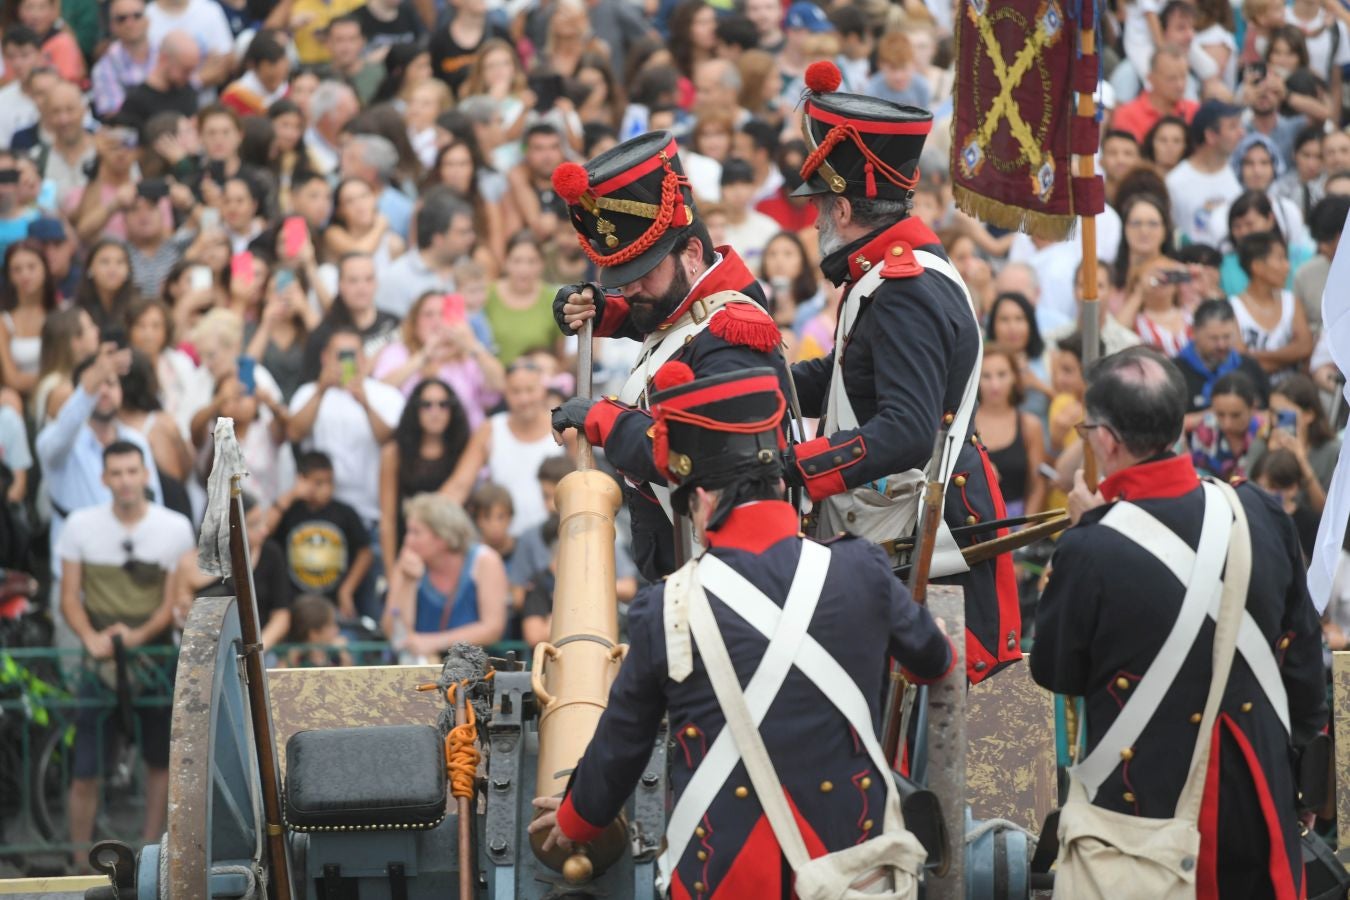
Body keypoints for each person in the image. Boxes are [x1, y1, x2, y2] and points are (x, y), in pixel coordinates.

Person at [529, 367, 952, 896]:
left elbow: (622, 745)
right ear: (778, 483)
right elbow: (934, 662)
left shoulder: (664, 608)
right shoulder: (860, 569)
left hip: (726, 880)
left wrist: (575, 821)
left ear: (703, 500)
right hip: (854, 874)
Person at [1033, 347, 1325, 898]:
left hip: (1145, 806)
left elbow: (1057, 671)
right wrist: (1298, 781)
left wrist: (1087, 531)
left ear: (1107, 440)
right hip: (1256, 788)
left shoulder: (1089, 546)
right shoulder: (1259, 511)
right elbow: (1305, 664)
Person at [782, 64, 1020, 683]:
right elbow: (849, 378)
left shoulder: (903, 288)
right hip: (909, 525)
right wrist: (761, 382)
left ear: (841, 207)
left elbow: (907, 431)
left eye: (820, 208)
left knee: (937, 722)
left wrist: (798, 466)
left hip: (932, 539)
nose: (815, 222)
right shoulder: (886, 274)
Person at [548, 129, 789, 581]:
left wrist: (605, 419)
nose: (630, 288)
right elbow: (673, 322)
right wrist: (605, 311)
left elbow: (703, 454)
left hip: (722, 576)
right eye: (621, 277)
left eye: (643, 272)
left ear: (692, 254)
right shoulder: (694, 305)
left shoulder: (731, 333)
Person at [58, 441, 192, 860]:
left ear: (146, 474)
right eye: (116, 473)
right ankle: (79, 862)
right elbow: (69, 597)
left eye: (132, 471)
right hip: (99, 664)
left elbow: (173, 600)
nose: (125, 481)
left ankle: (149, 857)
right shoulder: (80, 525)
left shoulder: (175, 528)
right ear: (104, 478)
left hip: (155, 661)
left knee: (160, 763)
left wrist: (135, 637)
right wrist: (90, 637)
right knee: (86, 768)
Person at [288, 329, 405, 588]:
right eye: (340, 355)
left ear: (364, 358)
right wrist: (321, 391)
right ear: (325, 357)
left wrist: (365, 403)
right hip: (323, 517)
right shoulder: (308, 393)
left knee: (370, 599)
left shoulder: (386, 395)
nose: (346, 362)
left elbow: (390, 442)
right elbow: (294, 432)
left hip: (371, 517)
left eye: (352, 355)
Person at [380, 492, 508, 657]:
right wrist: (408, 583)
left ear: (442, 537)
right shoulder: (406, 563)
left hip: (475, 666)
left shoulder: (485, 561)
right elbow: (394, 632)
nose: (407, 540)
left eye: (415, 532)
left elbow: (493, 628)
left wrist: (434, 642)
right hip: (423, 665)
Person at [448, 361, 563, 537]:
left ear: (543, 390)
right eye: (516, 391)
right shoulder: (490, 430)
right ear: (505, 393)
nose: (524, 399)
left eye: (530, 390)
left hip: (555, 536)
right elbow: (459, 486)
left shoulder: (565, 427)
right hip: (503, 540)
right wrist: (429, 517)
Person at [266, 451, 373, 618]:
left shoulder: (345, 513)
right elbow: (264, 530)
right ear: (301, 480)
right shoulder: (289, 512)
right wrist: (292, 494)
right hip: (296, 605)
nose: (326, 489)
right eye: (318, 483)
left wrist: (347, 590)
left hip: (333, 605)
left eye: (330, 482)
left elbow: (365, 552)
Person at [379, 378, 471, 568]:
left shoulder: (464, 449)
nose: (435, 412)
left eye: (443, 405)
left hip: (451, 549)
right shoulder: (394, 453)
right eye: (426, 405)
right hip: (409, 547)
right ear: (415, 409)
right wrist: (390, 571)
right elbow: (387, 519)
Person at [374, 290, 502, 424]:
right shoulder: (398, 351)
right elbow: (379, 391)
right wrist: (424, 355)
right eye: (428, 315)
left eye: (442, 314)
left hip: (468, 433)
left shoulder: (467, 356)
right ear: (415, 321)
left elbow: (499, 386)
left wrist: (472, 345)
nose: (436, 322)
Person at [375, 188, 475, 318]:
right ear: (438, 238)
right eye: (463, 233)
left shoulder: (467, 266)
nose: (471, 238)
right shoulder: (396, 278)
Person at [1230, 230, 1314, 381]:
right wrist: (1291, 357)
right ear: (1257, 266)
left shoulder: (1291, 301)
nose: (1287, 266)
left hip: (1292, 387)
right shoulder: (1233, 307)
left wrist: (1255, 356)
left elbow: (1305, 346)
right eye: (1280, 259)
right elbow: (1238, 359)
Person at [976, 345, 1047, 518]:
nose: (995, 385)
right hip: (972, 520)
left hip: (1015, 521)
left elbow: (1037, 485)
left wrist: (1026, 527)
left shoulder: (1029, 425)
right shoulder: (964, 425)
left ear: (1014, 377)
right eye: (986, 376)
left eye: (1002, 375)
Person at [1166, 99, 1245, 246]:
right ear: (1210, 136)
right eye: (1232, 127)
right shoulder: (1175, 182)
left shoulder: (1240, 174)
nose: (1241, 133)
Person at [1176, 298, 1272, 414]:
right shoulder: (1176, 372)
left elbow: (1267, 409)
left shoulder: (1248, 366)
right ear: (1194, 333)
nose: (1221, 345)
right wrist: (1212, 415)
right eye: (1214, 338)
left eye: (1227, 337)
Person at [1189, 370, 1264, 479]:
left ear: (1252, 408)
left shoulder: (1265, 434)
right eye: (1220, 414)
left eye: (1236, 415)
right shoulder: (1206, 429)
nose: (1227, 424)